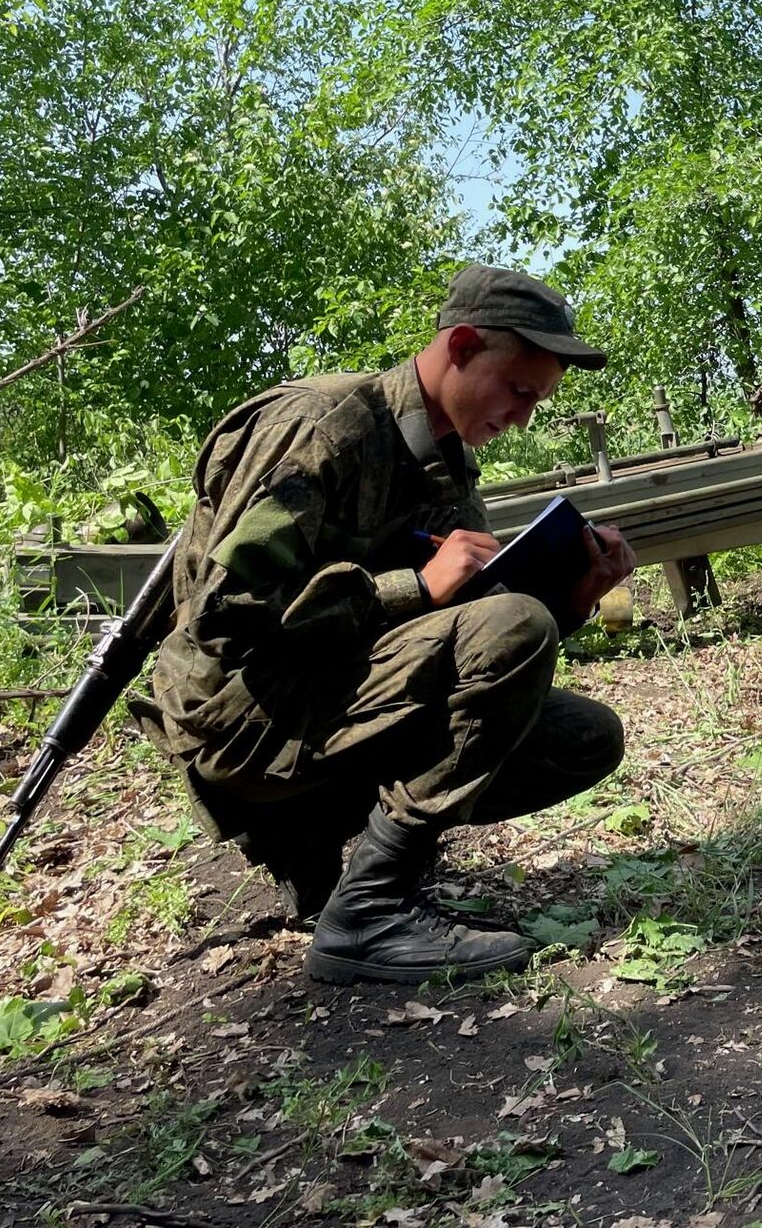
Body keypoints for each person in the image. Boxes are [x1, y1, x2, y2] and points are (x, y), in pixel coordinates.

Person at [138, 265, 636, 984]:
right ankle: (366, 913)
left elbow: (476, 650)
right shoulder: (321, 426)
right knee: (513, 625)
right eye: (520, 392)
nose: (524, 417)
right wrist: (414, 587)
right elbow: (226, 613)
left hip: (327, 698)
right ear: (461, 345)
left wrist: (575, 599)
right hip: (241, 718)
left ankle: (339, 856)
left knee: (583, 739)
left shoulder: (444, 462)